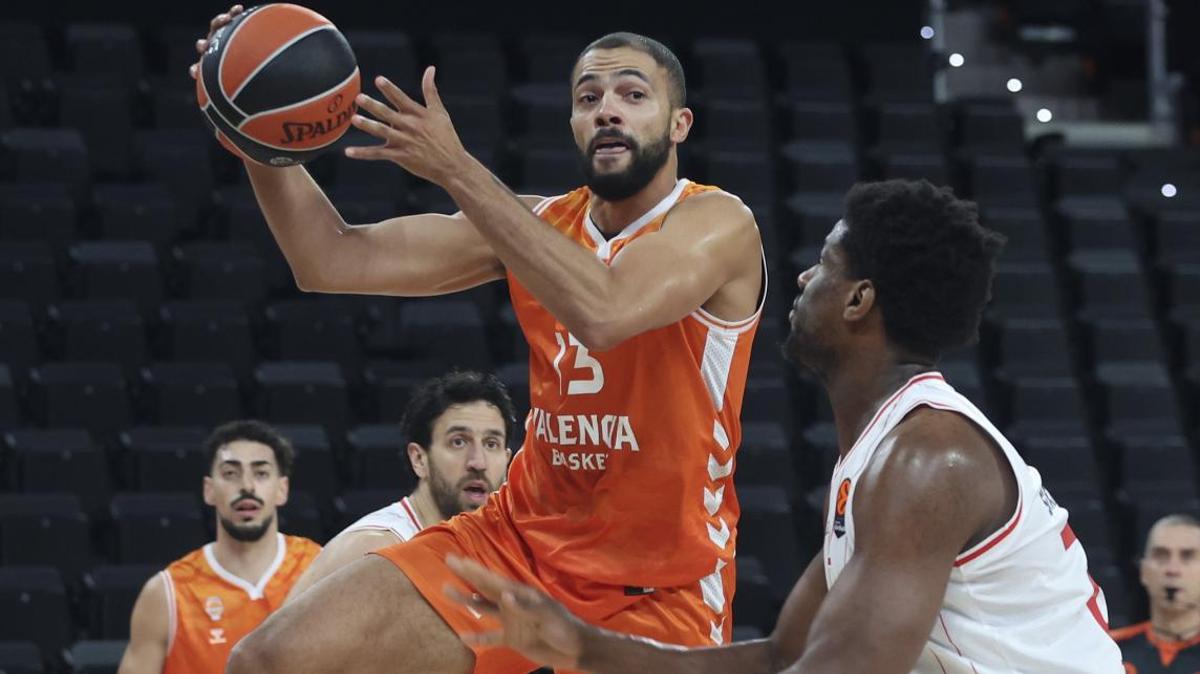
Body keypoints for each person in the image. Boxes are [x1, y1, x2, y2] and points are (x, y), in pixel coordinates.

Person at [192, 8, 766, 674]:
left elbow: (605, 310)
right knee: (267, 661)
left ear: (678, 124)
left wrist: (456, 168)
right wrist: (255, 132)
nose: (607, 110)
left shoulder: (718, 223)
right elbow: (328, 257)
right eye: (588, 98)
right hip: (513, 548)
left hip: (660, 583)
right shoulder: (536, 223)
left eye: (633, 95)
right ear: (574, 125)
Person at [443, 179, 1126, 674]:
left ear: (859, 301)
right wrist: (582, 645)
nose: (802, 277)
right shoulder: (890, 455)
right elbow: (780, 655)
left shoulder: (928, 458)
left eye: (825, 265)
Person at [284, 371, 516, 601]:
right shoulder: (371, 550)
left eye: (491, 443)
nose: (478, 462)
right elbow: (274, 639)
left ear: (507, 460)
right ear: (419, 459)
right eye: (458, 442)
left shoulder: (509, 551)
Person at [117, 420, 320, 674]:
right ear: (209, 490)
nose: (247, 486)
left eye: (261, 473)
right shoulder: (167, 593)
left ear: (282, 489)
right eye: (230, 474)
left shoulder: (323, 570)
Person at [1111, 514, 1200, 672]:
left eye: (1187, 556)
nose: (1172, 569)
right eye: (1161, 555)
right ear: (1144, 571)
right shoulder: (1108, 649)